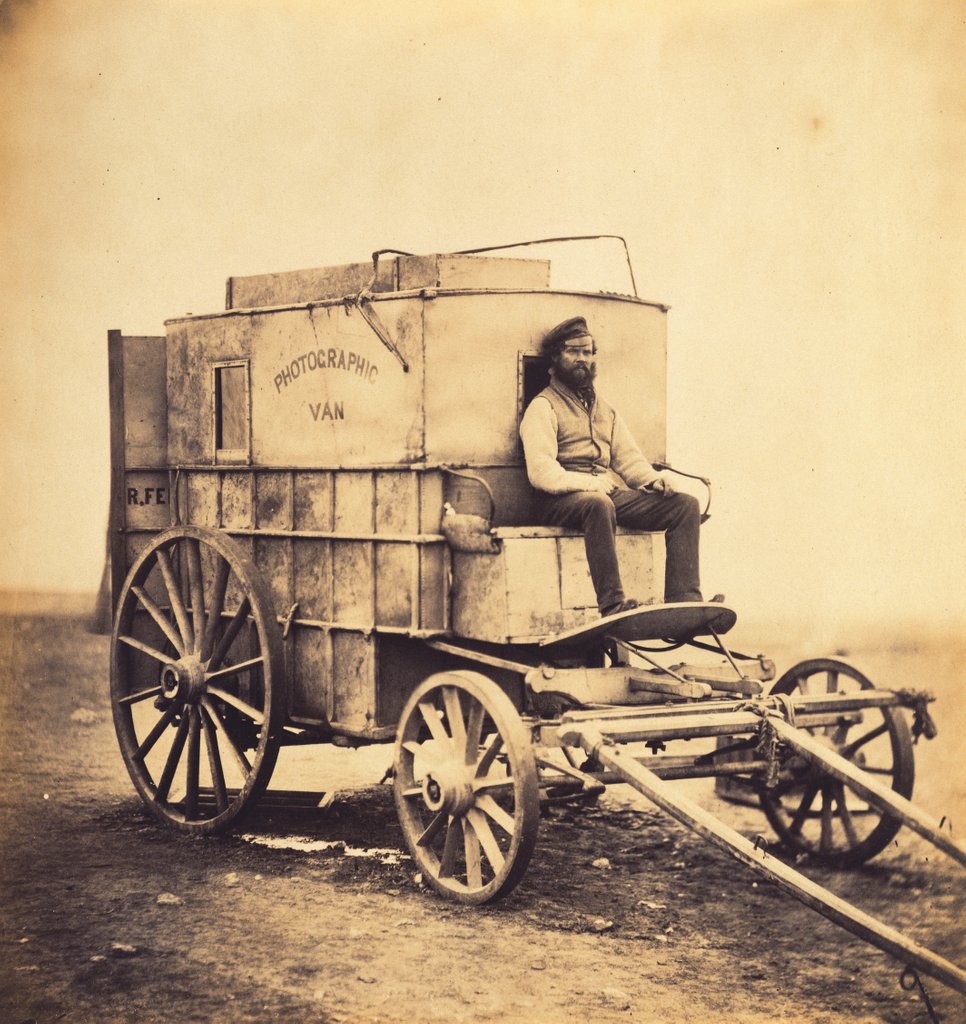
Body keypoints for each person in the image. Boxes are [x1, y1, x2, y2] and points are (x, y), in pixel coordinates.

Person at [519, 316, 719, 618]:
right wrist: (586, 483)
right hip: (556, 500)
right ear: (556, 358)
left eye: (588, 352)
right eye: (574, 352)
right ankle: (612, 605)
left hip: (602, 494)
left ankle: (684, 600)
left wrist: (653, 481)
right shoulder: (542, 407)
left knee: (685, 505)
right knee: (598, 504)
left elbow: (628, 459)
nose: (582, 359)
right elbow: (541, 471)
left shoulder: (604, 409)